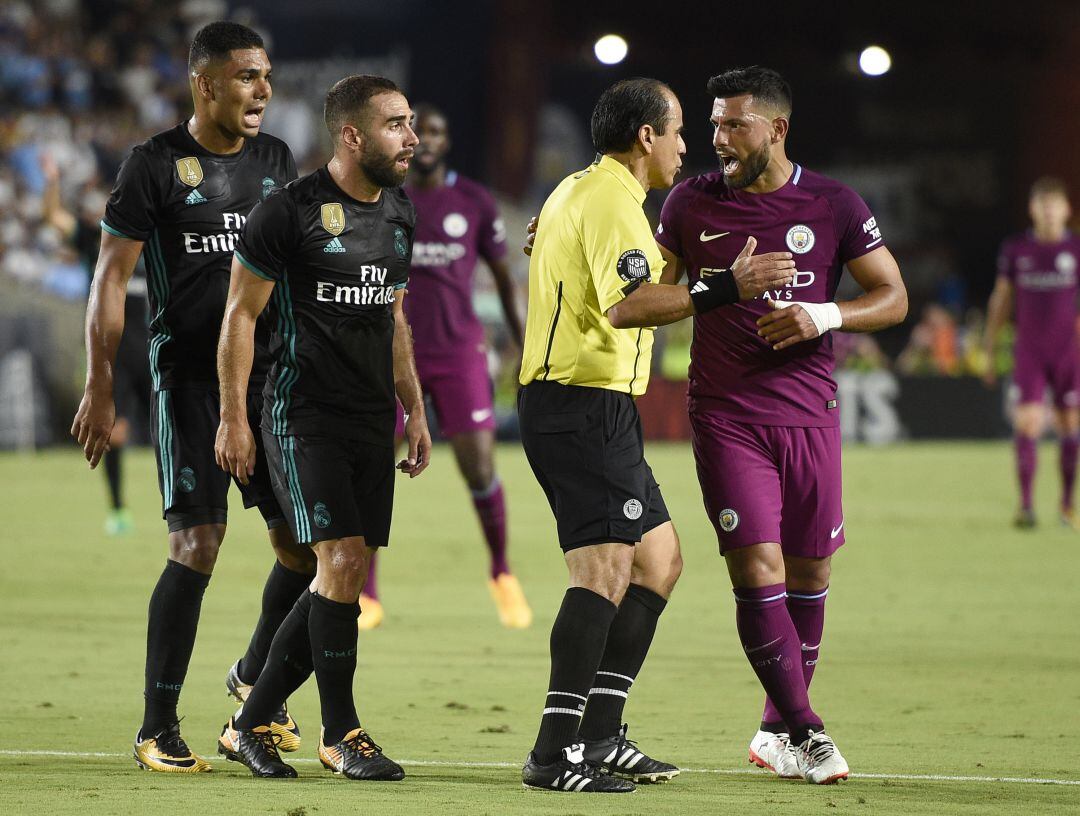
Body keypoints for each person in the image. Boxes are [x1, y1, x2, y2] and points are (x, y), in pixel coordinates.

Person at [517, 77, 796, 793]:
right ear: (646, 137)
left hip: (595, 407)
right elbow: (626, 306)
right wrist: (725, 286)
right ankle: (555, 753)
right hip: (579, 402)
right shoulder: (610, 199)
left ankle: (602, 734)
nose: (686, 146)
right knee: (603, 573)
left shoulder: (588, 193)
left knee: (659, 560)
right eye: (676, 131)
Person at [69, 21, 316, 773]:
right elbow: (111, 278)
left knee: (306, 552)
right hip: (189, 382)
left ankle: (251, 685)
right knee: (198, 546)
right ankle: (157, 726)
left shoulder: (276, 160)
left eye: (267, 75)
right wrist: (102, 382)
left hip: (271, 381)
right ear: (204, 84)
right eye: (246, 76)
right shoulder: (153, 164)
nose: (263, 90)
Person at [655, 66, 907, 784]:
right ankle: (811, 730)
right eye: (713, 124)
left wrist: (824, 314)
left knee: (811, 570)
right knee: (756, 569)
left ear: (777, 128)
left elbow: (892, 297)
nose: (718, 138)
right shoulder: (690, 203)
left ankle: (774, 729)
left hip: (810, 413)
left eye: (734, 124)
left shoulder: (832, 203)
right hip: (728, 415)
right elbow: (649, 290)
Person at [214, 74, 430, 781]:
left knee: (345, 573)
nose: (413, 137)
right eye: (397, 124)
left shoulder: (400, 213)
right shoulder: (290, 211)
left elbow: (393, 319)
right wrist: (234, 417)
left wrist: (416, 408)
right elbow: (240, 316)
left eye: (411, 123)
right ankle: (341, 735)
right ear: (352, 134)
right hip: (300, 412)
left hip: (371, 416)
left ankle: (247, 724)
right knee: (337, 563)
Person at [359, 103, 530, 631]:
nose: (424, 140)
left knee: (479, 465)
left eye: (434, 131)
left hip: (458, 353)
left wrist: (523, 344)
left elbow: (504, 279)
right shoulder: (383, 198)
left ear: (446, 141)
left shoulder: (474, 202)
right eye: (415, 130)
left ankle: (501, 572)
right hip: (389, 352)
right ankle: (366, 593)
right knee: (369, 468)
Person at [42, 153, 151, 535]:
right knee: (116, 431)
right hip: (115, 348)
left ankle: (190, 508)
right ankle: (118, 509)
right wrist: (52, 181)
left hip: (155, 343)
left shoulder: (151, 239)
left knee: (178, 427)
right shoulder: (95, 238)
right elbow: (53, 217)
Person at [984, 177, 1080, 529]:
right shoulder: (1017, 249)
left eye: (1055, 205)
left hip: (1069, 352)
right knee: (1028, 424)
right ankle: (1025, 506)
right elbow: (1001, 299)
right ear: (1033, 209)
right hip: (1030, 351)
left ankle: (1067, 505)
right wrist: (990, 349)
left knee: (1071, 426)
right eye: (1043, 205)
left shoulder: (1076, 251)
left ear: (1067, 210)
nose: (1050, 212)